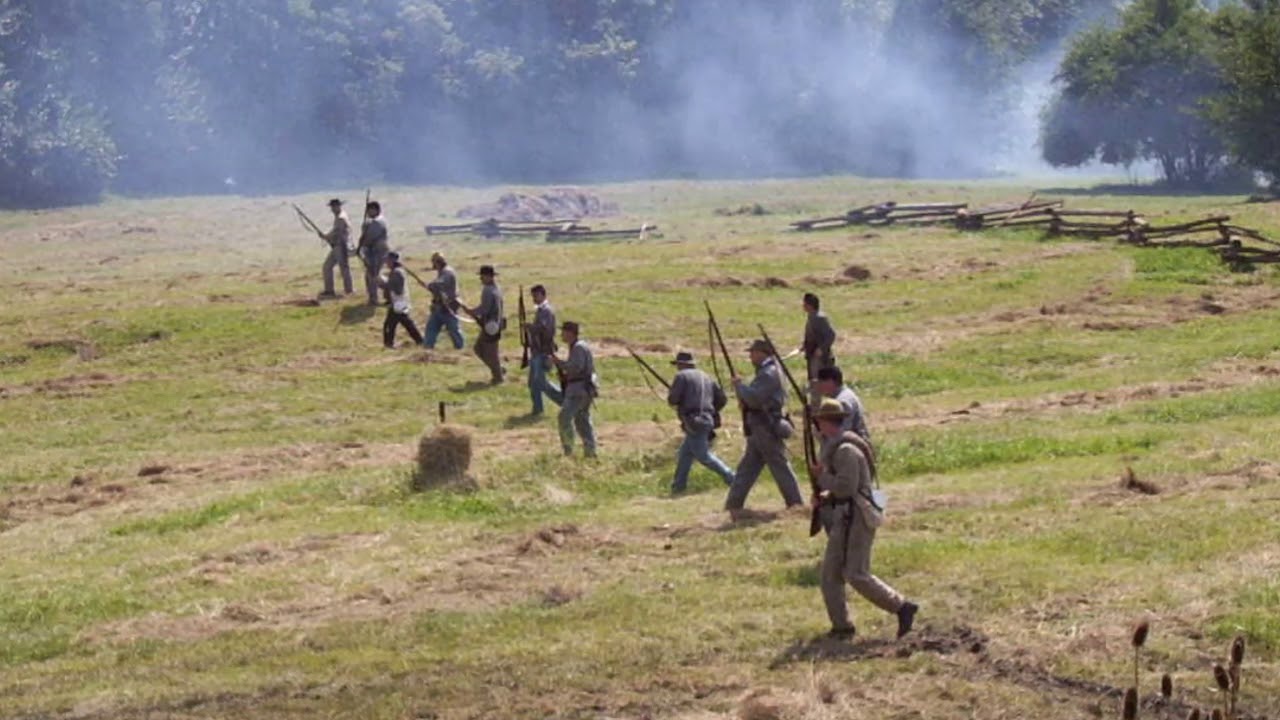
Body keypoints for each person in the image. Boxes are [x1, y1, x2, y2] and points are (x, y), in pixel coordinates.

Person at [808, 398, 917, 640]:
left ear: (826, 422)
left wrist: (823, 478)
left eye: (819, 420)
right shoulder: (837, 446)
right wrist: (825, 497)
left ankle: (902, 607)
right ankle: (841, 626)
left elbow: (847, 488)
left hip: (855, 517)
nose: (817, 425)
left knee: (856, 573)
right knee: (830, 575)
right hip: (844, 515)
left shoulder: (846, 450)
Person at [725, 339, 804, 512]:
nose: (751, 356)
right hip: (761, 426)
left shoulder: (769, 373)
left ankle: (796, 504)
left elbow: (754, 398)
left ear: (762, 353)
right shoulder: (770, 371)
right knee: (747, 469)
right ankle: (733, 505)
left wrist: (739, 387)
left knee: (779, 466)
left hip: (765, 426)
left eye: (753, 352)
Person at [667, 351, 735, 494]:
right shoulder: (707, 377)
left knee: (703, 455)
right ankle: (678, 487)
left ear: (681, 365)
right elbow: (722, 399)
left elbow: (673, 399)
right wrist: (710, 411)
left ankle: (732, 478)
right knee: (684, 454)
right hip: (706, 419)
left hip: (693, 421)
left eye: (678, 365)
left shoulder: (681, 376)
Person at [553, 321, 596, 458]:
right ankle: (590, 452)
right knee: (582, 421)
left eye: (564, 332)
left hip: (578, 390)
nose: (562, 335)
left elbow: (576, 368)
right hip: (582, 389)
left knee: (564, 418)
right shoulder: (578, 347)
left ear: (570, 333)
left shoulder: (578, 348)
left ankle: (568, 450)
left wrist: (559, 363)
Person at [527, 285, 563, 415]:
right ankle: (537, 409)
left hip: (543, 351)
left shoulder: (546, 311)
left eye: (536, 296)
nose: (534, 299)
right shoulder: (541, 310)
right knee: (533, 383)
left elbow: (543, 329)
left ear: (543, 295)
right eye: (533, 296)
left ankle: (563, 401)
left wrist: (530, 327)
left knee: (540, 382)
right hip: (537, 350)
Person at [377, 252, 423, 349]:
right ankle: (419, 341)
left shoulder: (397, 272)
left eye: (387, 260)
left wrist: (383, 283)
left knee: (390, 324)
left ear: (392, 260)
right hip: (399, 302)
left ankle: (389, 344)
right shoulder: (398, 271)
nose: (386, 263)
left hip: (398, 302)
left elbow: (397, 289)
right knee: (405, 323)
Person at [813, 366, 871, 442]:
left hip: (852, 447)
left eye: (821, 382)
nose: (818, 386)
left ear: (830, 382)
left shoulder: (843, 402)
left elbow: (840, 434)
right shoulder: (845, 394)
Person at [469, 265, 505, 385]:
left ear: (489, 277)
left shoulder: (488, 290)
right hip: (494, 324)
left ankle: (498, 376)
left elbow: (485, 309)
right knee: (479, 349)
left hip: (491, 326)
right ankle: (498, 371)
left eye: (483, 276)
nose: (481, 279)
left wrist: (472, 311)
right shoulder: (496, 288)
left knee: (490, 354)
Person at [424, 252, 465, 350]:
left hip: (448, 306)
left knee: (453, 330)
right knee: (431, 329)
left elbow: (439, 284)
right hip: (438, 306)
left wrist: (431, 285)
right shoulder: (442, 272)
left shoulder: (447, 272)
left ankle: (460, 348)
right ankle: (427, 348)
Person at [801, 292, 837, 390]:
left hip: (820, 358)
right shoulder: (811, 317)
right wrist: (805, 345)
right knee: (814, 381)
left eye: (805, 304)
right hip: (812, 355)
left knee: (818, 382)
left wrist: (821, 349)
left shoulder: (820, 318)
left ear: (810, 305)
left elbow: (831, 335)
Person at [357, 201, 390, 306]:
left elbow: (369, 238)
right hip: (374, 252)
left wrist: (361, 246)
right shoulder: (373, 221)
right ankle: (387, 292)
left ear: (376, 210)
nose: (368, 212)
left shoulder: (377, 222)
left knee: (372, 275)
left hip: (377, 252)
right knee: (372, 275)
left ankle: (375, 298)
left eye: (370, 210)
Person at [318, 198, 353, 298]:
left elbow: (337, 232)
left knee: (343, 268)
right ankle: (330, 290)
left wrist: (326, 236)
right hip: (337, 245)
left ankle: (348, 290)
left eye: (334, 206)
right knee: (327, 267)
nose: (333, 209)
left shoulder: (341, 218)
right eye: (332, 207)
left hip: (340, 245)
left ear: (338, 206)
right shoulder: (340, 216)